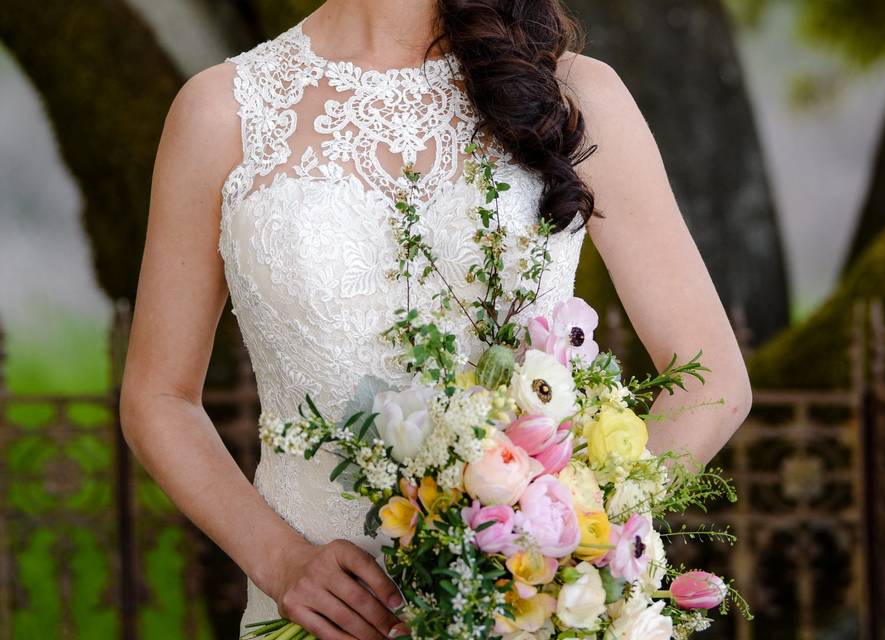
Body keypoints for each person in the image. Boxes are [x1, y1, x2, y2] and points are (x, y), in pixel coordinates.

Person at [119, 1, 753, 638]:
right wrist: (281, 561)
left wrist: (572, 551)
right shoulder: (221, 112)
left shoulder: (573, 94)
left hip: (526, 621)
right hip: (325, 621)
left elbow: (712, 377)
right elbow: (159, 397)